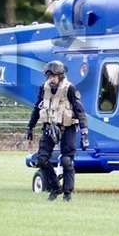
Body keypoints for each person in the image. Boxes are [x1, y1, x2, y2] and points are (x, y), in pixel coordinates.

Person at [27, 59, 89, 202]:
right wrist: (30, 126)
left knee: (67, 161)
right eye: (49, 77)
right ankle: (55, 187)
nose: (51, 79)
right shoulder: (44, 88)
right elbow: (37, 107)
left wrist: (84, 132)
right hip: (50, 127)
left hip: (67, 128)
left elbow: (80, 111)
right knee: (42, 159)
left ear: (60, 76)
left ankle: (67, 193)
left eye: (53, 76)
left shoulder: (70, 89)